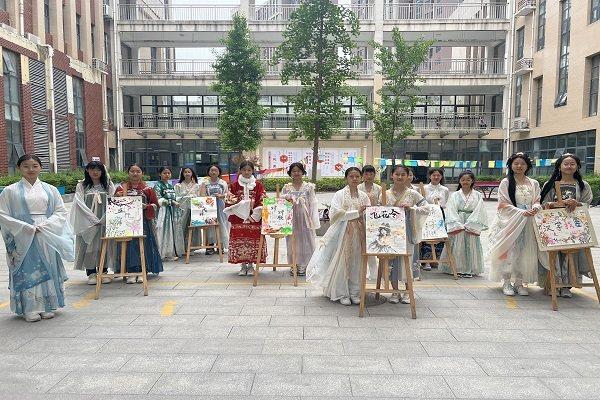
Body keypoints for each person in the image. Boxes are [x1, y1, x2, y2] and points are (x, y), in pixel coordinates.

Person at [0, 155, 74, 322]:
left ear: (41, 167)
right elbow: (3, 215)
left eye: (34, 166)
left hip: (45, 231)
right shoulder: (9, 191)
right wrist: (25, 228)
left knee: (49, 264)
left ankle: (47, 304)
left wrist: (47, 225)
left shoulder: (50, 190)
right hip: (23, 235)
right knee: (29, 267)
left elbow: (60, 211)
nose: (31, 170)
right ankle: (30, 307)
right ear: (19, 168)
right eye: (26, 166)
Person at [306, 167, 370, 306]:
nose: (354, 179)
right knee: (342, 261)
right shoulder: (340, 194)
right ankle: (342, 292)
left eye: (357, 176)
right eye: (351, 176)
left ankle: (355, 291)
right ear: (346, 178)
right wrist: (356, 212)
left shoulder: (364, 196)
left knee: (356, 262)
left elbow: (368, 213)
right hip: (343, 232)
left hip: (359, 231)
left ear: (360, 178)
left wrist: (364, 214)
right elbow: (335, 213)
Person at [538, 154, 593, 298]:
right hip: (555, 226)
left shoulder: (583, 185)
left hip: (574, 227)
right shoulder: (550, 184)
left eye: (572, 164)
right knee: (555, 254)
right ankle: (554, 284)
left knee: (571, 254)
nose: (569, 166)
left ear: (577, 166)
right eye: (566, 164)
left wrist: (578, 203)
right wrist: (550, 205)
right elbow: (543, 204)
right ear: (559, 166)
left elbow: (587, 202)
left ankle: (567, 285)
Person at [488, 153, 541, 296]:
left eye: (522, 164)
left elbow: (536, 199)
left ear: (527, 166)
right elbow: (503, 203)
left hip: (528, 222)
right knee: (509, 251)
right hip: (511, 221)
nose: (519, 166)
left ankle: (519, 282)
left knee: (525, 251)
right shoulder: (506, 182)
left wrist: (535, 207)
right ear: (511, 165)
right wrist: (520, 212)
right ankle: (506, 282)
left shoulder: (533, 183)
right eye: (516, 163)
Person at [380, 165, 428, 304]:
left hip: (407, 231)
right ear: (392, 176)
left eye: (403, 174)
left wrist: (412, 209)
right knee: (392, 260)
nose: (400, 177)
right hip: (390, 233)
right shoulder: (385, 193)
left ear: (408, 176)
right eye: (397, 174)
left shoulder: (413, 194)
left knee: (407, 259)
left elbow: (426, 208)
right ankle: (395, 292)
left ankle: (407, 292)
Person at [114, 164, 163, 283]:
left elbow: (156, 205)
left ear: (142, 173)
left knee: (143, 245)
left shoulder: (147, 189)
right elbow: (114, 205)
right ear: (128, 172)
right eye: (132, 171)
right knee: (129, 246)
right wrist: (117, 197)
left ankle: (143, 270)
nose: (135, 174)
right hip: (126, 223)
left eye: (138, 171)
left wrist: (146, 206)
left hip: (143, 222)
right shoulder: (121, 188)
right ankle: (130, 271)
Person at [70, 161, 115, 285]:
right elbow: (79, 203)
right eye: (92, 169)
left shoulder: (108, 185)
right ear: (87, 171)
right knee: (88, 246)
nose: (95, 172)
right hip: (88, 222)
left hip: (104, 221)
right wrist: (92, 219)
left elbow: (113, 201)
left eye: (98, 169)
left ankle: (103, 271)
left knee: (104, 245)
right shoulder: (82, 186)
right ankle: (91, 273)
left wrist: (104, 218)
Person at [440, 171, 488, 277]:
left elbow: (479, 210)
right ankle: (456, 267)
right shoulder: (455, 195)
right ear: (459, 181)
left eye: (468, 180)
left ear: (472, 181)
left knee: (471, 244)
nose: (465, 182)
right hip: (458, 221)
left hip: (472, 221)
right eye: (463, 180)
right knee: (457, 244)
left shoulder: (478, 195)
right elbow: (451, 210)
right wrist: (457, 223)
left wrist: (471, 223)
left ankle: (470, 268)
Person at [224, 160, 266, 276]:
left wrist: (255, 214)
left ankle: (251, 265)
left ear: (252, 171)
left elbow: (262, 199)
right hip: (238, 218)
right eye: (244, 170)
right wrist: (239, 206)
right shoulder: (234, 185)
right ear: (240, 171)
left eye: (249, 170)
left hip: (254, 219)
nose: (246, 172)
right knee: (240, 241)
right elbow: (229, 199)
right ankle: (242, 265)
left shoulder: (258, 185)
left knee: (253, 242)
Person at [281, 162, 320, 276]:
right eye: (294, 171)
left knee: (307, 240)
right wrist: (287, 199)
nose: (296, 173)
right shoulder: (286, 187)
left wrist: (313, 219)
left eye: (298, 170)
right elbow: (281, 204)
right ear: (290, 173)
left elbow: (313, 203)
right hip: (292, 218)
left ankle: (307, 264)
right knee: (292, 241)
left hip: (305, 218)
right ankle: (294, 264)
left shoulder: (309, 187)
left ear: (302, 172)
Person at [421, 168, 450, 271]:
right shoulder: (424, 188)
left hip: (440, 214)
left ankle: (436, 259)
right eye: (434, 175)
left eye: (438, 175)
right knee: (427, 236)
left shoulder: (445, 189)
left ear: (441, 177)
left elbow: (445, 202)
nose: (436, 177)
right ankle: (426, 261)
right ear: (430, 176)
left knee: (439, 236)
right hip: (428, 214)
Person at [154, 166, 184, 261]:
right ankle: (161, 253)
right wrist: (172, 202)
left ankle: (169, 252)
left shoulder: (171, 186)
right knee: (163, 232)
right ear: (160, 174)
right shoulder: (158, 185)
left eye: (168, 173)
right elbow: (158, 199)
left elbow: (174, 197)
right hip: (163, 213)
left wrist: (177, 201)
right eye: (164, 173)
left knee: (170, 232)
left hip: (171, 212)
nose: (167, 175)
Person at [200, 164, 230, 254]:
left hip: (220, 206)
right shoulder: (205, 183)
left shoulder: (223, 183)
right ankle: (210, 246)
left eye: (215, 170)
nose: (213, 172)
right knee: (209, 225)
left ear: (219, 172)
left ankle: (220, 245)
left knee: (221, 224)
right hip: (209, 207)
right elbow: (201, 195)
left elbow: (227, 194)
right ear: (208, 172)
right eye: (211, 170)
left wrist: (221, 196)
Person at [174, 167, 202, 255]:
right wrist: (186, 196)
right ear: (182, 174)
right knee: (182, 227)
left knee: (193, 228)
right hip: (182, 209)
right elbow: (176, 198)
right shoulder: (178, 186)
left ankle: (191, 247)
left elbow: (199, 197)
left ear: (192, 173)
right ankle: (181, 247)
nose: (187, 174)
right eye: (185, 172)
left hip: (193, 209)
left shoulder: (196, 186)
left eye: (189, 172)